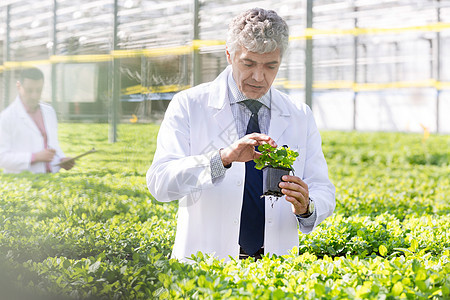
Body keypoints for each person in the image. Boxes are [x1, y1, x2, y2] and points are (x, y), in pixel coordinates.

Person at [147, 8, 335, 262]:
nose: (259, 77)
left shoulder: (299, 114)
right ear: (229, 55)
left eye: (271, 66)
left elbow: (322, 188)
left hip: (276, 269)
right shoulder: (189, 105)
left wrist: (307, 206)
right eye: (248, 64)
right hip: (206, 263)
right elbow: (160, 183)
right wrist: (222, 158)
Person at [0, 67, 75, 173]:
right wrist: (34, 157)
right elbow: (2, 158)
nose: (34, 95)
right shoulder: (6, 117)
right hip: (23, 182)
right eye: (29, 90)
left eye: (38, 90)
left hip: (50, 180)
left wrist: (62, 159)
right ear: (19, 86)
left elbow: (53, 144)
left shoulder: (49, 111)